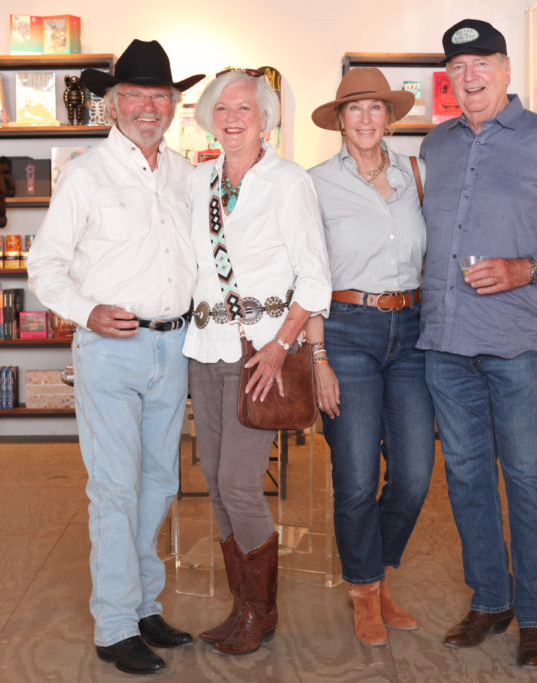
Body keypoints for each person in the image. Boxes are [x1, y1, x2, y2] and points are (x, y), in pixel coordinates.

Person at [417, 19, 537, 669]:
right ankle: (491, 598)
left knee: (528, 477)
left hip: (520, 341)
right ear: (448, 80)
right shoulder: (435, 147)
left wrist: (525, 267)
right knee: (466, 476)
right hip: (444, 342)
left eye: (482, 65)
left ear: (505, 70)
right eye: (458, 69)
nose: (469, 78)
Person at [27, 39, 203, 676]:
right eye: (135, 95)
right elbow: (43, 265)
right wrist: (86, 311)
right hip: (111, 349)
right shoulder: (85, 174)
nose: (148, 107)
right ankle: (113, 624)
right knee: (114, 487)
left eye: (160, 95)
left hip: (173, 346)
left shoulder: (187, 174)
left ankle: (144, 606)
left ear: (173, 104)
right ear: (113, 104)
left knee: (158, 483)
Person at [184, 68, 331, 656]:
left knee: (240, 485)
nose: (233, 116)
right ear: (209, 118)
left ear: (265, 118)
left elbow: (315, 275)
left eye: (244, 107)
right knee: (216, 486)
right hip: (205, 350)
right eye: (222, 108)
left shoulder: (289, 181)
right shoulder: (198, 182)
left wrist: (282, 345)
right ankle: (240, 606)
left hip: (262, 354)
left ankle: (263, 613)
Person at [305, 68, 435, 647]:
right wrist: (317, 355)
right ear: (339, 119)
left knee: (413, 474)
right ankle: (365, 590)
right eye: (353, 108)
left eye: (374, 108)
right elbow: (304, 274)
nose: (364, 119)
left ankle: (376, 574)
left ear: (389, 116)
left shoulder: (417, 174)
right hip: (346, 330)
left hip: (409, 329)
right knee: (356, 477)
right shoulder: (313, 184)